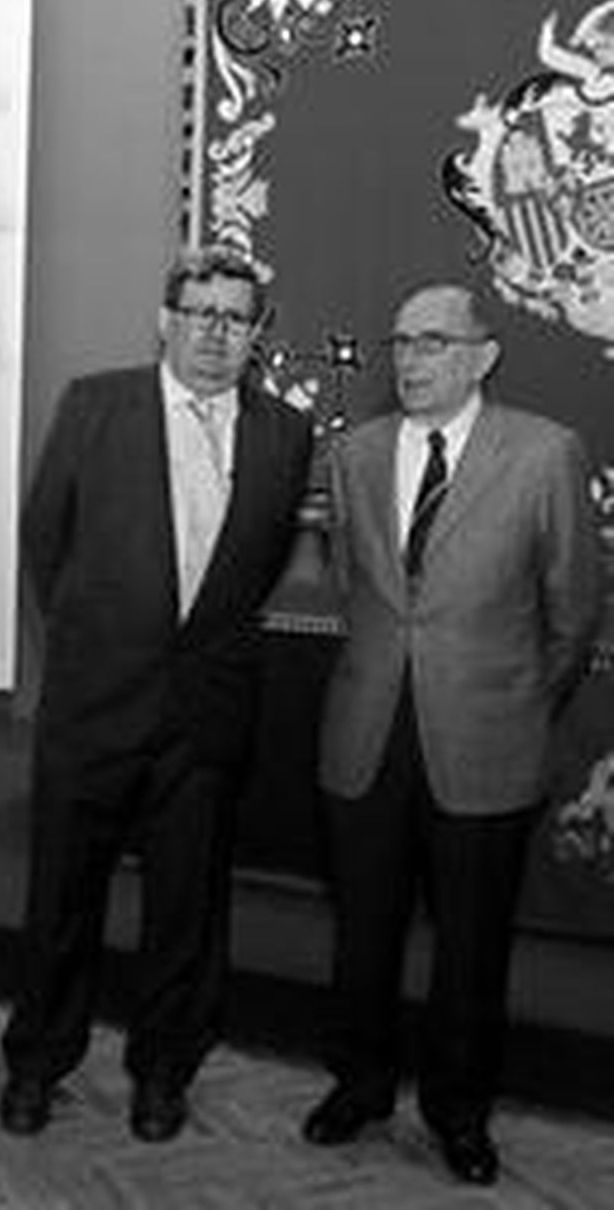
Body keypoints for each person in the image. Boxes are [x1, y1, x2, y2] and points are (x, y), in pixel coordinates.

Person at [0, 245, 314, 1141]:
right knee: (63, 900)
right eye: (201, 312)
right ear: (164, 320)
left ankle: (162, 1074)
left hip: (205, 717)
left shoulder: (286, 435)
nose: (216, 333)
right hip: (95, 705)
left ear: (256, 335)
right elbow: (44, 541)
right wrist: (98, 644)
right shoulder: (96, 406)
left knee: (186, 911)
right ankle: (37, 1065)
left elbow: (252, 572)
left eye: (236, 318)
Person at [302, 284, 599, 1185]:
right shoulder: (354, 454)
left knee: (472, 947)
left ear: (484, 354)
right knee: (363, 934)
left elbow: (574, 612)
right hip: (367, 734)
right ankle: (359, 1085)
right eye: (401, 342)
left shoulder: (545, 454)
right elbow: (360, 587)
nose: (412, 359)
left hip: (488, 740)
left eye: (433, 342)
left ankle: (459, 1114)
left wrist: (508, 700)